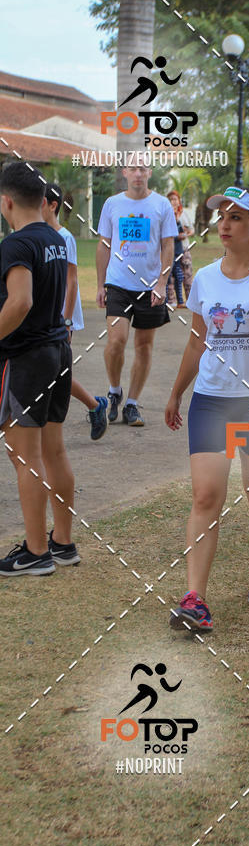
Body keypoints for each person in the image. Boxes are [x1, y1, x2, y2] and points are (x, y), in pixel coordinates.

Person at [166, 187, 249, 631]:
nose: (224, 224)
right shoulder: (204, 278)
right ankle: (195, 599)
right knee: (206, 496)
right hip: (211, 399)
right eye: (221, 217)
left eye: (236, 217)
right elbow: (197, 340)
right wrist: (176, 393)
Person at [0, 161, 79, 575]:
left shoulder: (14, 245)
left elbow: (21, 302)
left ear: (7, 201)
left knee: (24, 457)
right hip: (57, 351)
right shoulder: (56, 237)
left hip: (28, 359)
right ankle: (62, 542)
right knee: (54, 451)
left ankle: (35, 553)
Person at [96, 164, 177, 427]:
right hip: (118, 284)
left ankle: (131, 403)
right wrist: (100, 284)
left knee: (143, 346)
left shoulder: (162, 205)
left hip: (149, 286)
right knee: (116, 341)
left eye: (143, 168)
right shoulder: (112, 204)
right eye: (133, 168)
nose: (138, 173)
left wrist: (161, 283)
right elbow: (104, 244)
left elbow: (168, 246)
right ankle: (114, 389)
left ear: (150, 172)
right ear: (125, 173)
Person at [42, 184, 108, 440]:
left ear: (52, 205)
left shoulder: (64, 237)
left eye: (39, 201)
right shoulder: (38, 235)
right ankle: (94, 404)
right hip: (45, 317)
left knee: (58, 372)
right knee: (55, 372)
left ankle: (95, 405)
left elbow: (72, 281)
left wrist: (66, 321)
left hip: (61, 318)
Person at [166, 189, 194, 302]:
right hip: (171, 250)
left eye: (175, 199)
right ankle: (172, 301)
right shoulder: (166, 214)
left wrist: (186, 234)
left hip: (184, 249)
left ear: (179, 201)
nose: (173, 202)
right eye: (171, 199)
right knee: (171, 276)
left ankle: (190, 301)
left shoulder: (184, 214)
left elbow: (192, 230)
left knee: (187, 275)